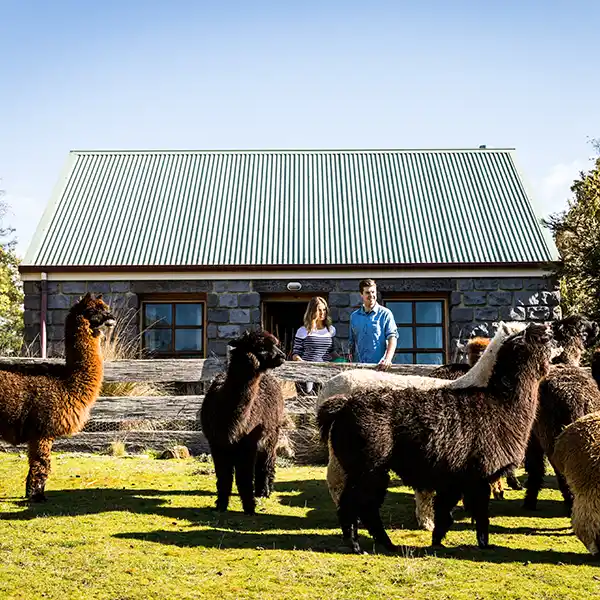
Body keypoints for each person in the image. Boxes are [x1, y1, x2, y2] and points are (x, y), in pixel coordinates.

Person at [349, 278, 398, 369]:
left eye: (373, 292)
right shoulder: (354, 316)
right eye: (367, 292)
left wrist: (388, 359)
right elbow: (351, 343)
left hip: (380, 367)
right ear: (361, 295)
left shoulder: (385, 314)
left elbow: (392, 338)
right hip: (359, 368)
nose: (371, 295)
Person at [292, 297, 337, 393]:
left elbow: (332, 351)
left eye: (324, 310)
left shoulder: (331, 330)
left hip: (325, 372)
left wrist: (342, 360)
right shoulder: (303, 331)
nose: (322, 313)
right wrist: (303, 364)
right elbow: (295, 354)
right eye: (319, 310)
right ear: (312, 311)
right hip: (306, 372)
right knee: (307, 399)